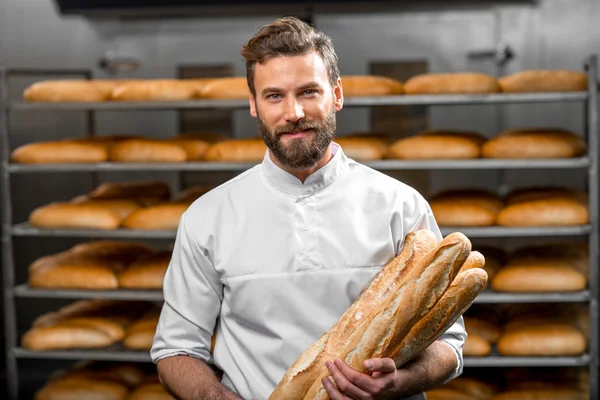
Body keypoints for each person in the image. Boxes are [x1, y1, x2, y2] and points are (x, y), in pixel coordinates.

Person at [151, 16, 466, 400]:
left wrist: (401, 382)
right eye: (274, 96)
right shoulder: (208, 217)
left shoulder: (399, 205)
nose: (293, 112)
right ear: (253, 104)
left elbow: (448, 342)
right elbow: (176, 350)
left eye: (308, 92)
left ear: (336, 94)